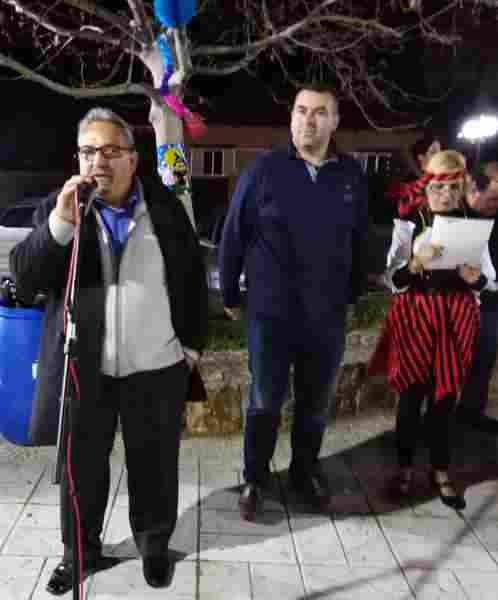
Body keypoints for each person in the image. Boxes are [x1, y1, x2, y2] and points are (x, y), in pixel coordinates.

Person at [9, 108, 208, 594]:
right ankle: (79, 552)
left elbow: (192, 279)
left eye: (111, 151)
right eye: (88, 151)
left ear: (132, 159)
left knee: (154, 466)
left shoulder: (165, 208)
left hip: (156, 367)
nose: (99, 161)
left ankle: (154, 546)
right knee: (80, 470)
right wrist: (60, 223)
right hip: (85, 370)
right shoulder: (63, 208)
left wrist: (190, 349)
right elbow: (26, 277)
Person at [219, 82, 369, 521]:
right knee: (265, 400)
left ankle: (304, 473)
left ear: (334, 122)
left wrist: (353, 293)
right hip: (271, 313)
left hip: (326, 315)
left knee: (315, 402)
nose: (308, 120)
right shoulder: (264, 170)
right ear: (291, 118)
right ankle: (255, 478)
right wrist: (230, 293)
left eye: (320, 112)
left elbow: (360, 239)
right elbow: (233, 235)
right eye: (301, 110)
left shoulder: (350, 176)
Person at [379, 150, 495, 510]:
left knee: (444, 399)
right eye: (439, 187)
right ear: (427, 185)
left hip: (456, 316)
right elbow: (392, 278)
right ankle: (403, 469)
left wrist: (476, 280)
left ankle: (440, 471)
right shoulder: (410, 220)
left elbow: (490, 280)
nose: (446, 195)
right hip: (417, 314)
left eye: (454, 187)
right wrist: (415, 263)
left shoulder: (472, 222)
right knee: (411, 396)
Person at [457, 161, 498, 432]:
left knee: (484, 360)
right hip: (463, 301)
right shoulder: (458, 217)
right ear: (474, 190)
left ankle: (471, 411)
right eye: (493, 198)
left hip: (491, 302)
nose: (496, 204)